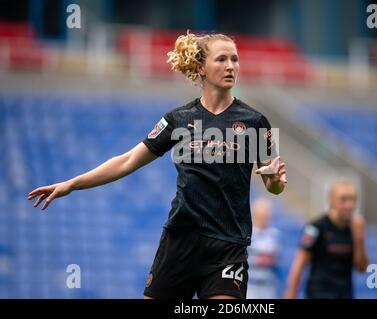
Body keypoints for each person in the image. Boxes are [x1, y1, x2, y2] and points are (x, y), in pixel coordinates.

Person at [27, 31, 287, 299]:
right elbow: (128, 161)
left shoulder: (256, 122)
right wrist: (71, 184)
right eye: (221, 59)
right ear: (201, 67)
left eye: (234, 59)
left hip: (228, 247)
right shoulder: (178, 119)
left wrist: (276, 181)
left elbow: (274, 185)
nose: (231, 66)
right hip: (180, 241)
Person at [284, 180, 368, 299]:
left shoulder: (355, 228)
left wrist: (359, 239)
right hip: (319, 293)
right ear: (331, 200)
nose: (349, 205)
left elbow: (361, 268)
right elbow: (300, 263)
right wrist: (291, 293)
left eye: (352, 199)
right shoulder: (314, 228)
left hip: (345, 295)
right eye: (344, 199)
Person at [247, 198, 280, 299]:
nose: (264, 217)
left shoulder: (275, 234)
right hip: (250, 284)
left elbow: (277, 259)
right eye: (261, 214)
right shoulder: (248, 234)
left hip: (268, 285)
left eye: (266, 214)